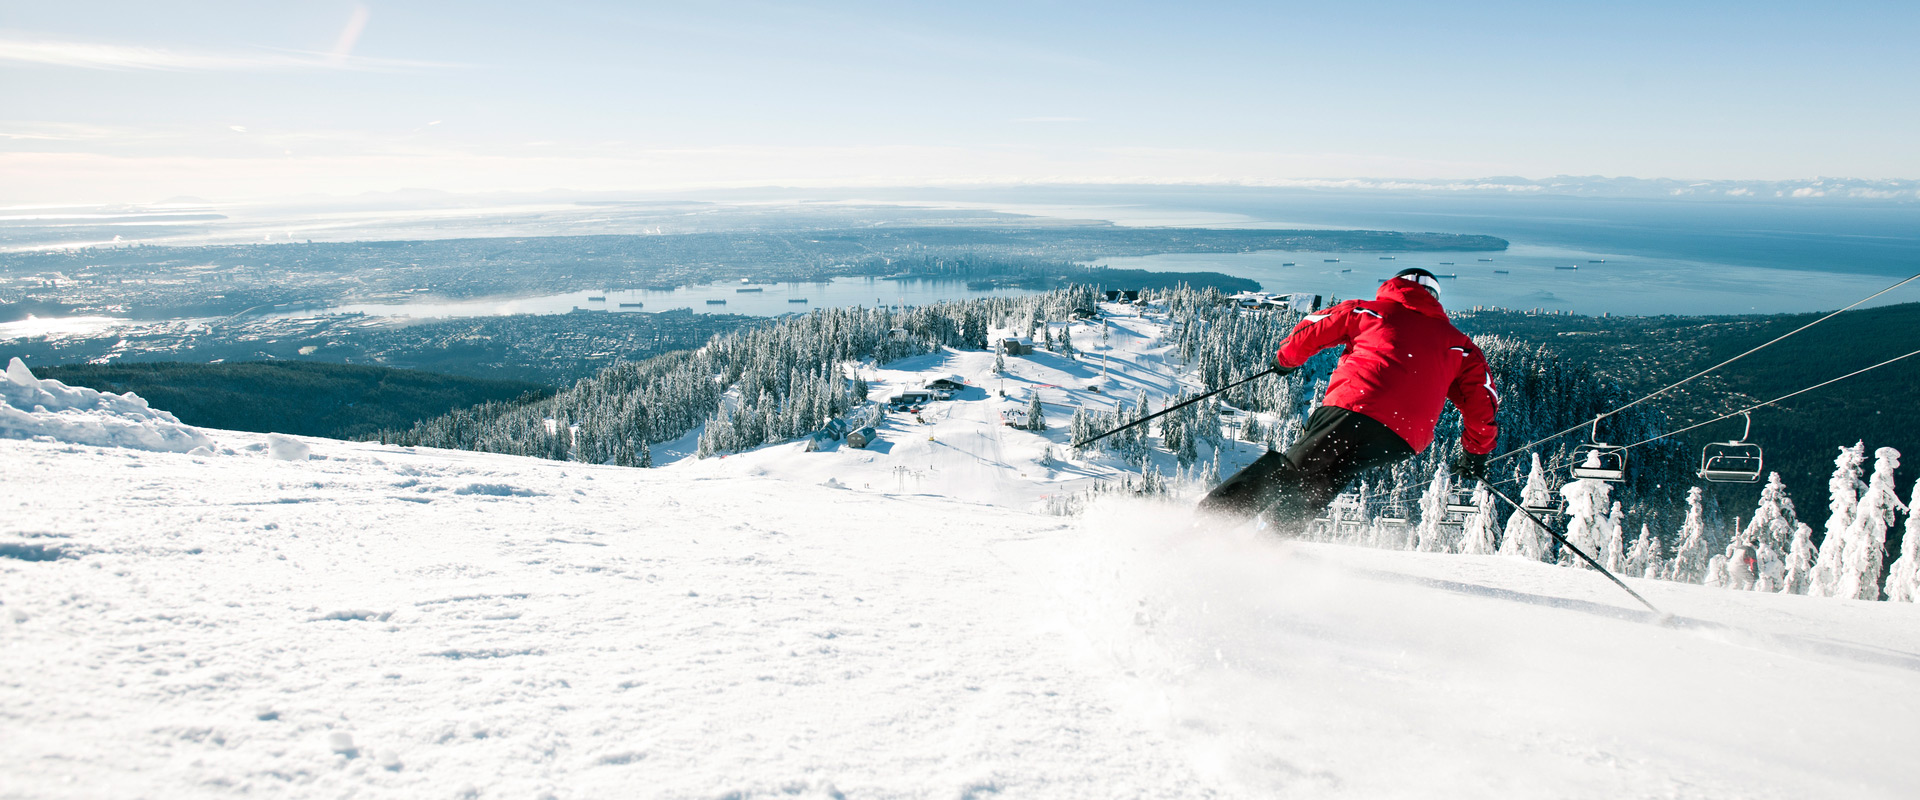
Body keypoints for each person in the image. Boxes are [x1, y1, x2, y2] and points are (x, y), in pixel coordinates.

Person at [1198, 267, 1499, 529]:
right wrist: (1475, 453)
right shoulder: (1461, 346)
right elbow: (1482, 401)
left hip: (1355, 408)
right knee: (1322, 479)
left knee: (1291, 467)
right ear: (1434, 298)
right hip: (1401, 439)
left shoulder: (1369, 311)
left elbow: (1313, 329)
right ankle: (1271, 543)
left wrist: (1285, 360)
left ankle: (1209, 525)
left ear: (1394, 286)